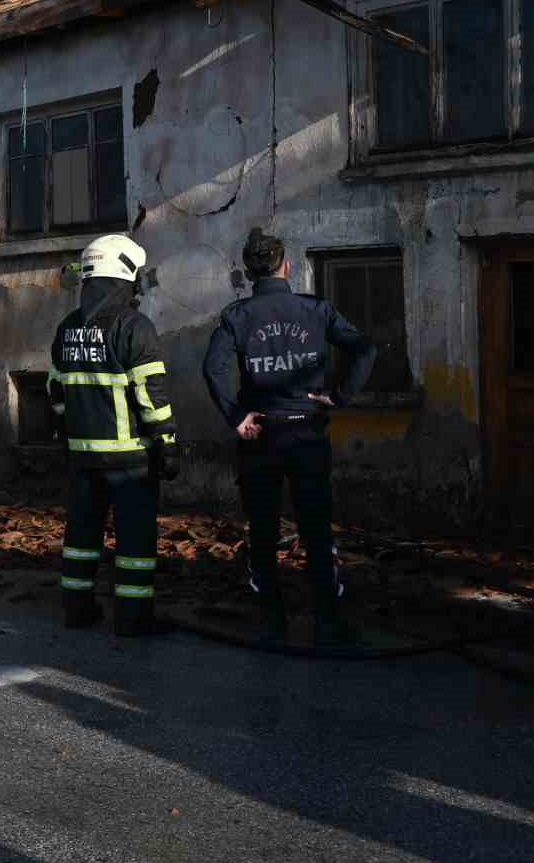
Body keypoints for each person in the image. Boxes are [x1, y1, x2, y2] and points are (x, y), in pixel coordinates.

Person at [202, 228, 378, 648]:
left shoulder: (237, 316)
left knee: (262, 531)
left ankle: (271, 623)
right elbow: (365, 349)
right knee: (316, 530)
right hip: (306, 433)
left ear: (248, 272)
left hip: (260, 437)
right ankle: (327, 624)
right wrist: (339, 396)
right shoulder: (316, 310)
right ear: (287, 266)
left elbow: (213, 369)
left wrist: (236, 416)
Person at [47, 234, 179, 637]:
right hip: (130, 460)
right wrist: (168, 443)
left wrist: (74, 430)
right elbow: (150, 395)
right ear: (124, 274)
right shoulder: (134, 326)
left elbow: (55, 391)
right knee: (135, 542)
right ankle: (133, 619)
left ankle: (77, 609)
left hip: (83, 456)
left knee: (81, 535)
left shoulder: (68, 327)